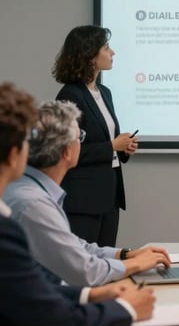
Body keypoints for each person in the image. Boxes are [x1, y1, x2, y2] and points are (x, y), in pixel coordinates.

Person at [0, 83, 155, 326]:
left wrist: (88, 296)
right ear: (12, 155)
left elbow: (25, 290)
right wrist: (128, 309)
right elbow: (60, 324)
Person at [4, 100, 171, 286]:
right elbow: (85, 272)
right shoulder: (33, 203)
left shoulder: (32, 189)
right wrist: (136, 264)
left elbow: (74, 246)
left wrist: (125, 254)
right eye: (80, 137)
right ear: (67, 151)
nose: (81, 142)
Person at [53, 25, 137, 247]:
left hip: (109, 195)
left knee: (106, 264)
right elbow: (64, 150)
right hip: (83, 199)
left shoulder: (105, 93)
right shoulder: (70, 95)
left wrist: (124, 148)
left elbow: (109, 141)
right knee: (85, 265)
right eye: (107, 48)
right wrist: (112, 146)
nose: (113, 53)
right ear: (90, 55)